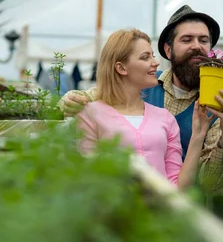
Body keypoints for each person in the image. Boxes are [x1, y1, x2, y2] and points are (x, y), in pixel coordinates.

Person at [60, 5, 223, 190]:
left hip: (179, 203)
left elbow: (209, 182)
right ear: (168, 51)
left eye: (203, 40)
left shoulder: (216, 104)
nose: (196, 46)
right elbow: (93, 95)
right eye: (186, 39)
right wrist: (71, 99)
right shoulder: (144, 83)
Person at [77, 28, 210, 189]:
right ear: (121, 68)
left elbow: (177, 187)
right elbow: (85, 179)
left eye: (153, 55)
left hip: (158, 212)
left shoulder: (165, 118)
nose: (156, 62)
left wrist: (198, 135)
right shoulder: (91, 115)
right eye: (145, 57)